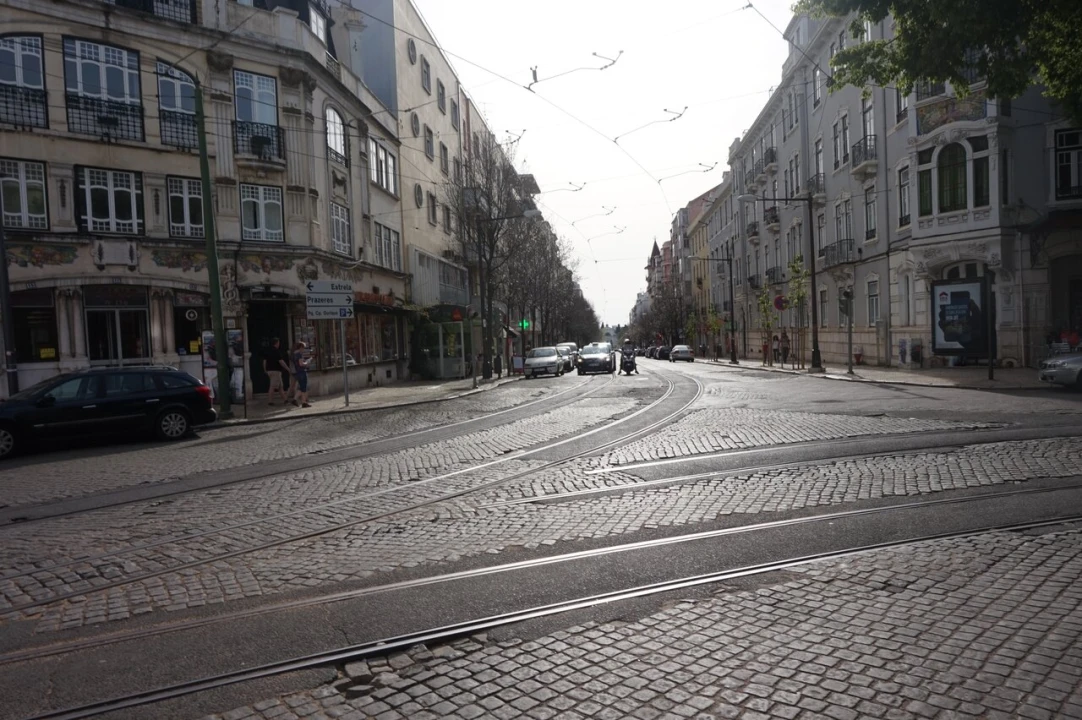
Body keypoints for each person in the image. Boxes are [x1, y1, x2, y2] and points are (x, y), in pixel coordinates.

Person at [262, 338, 290, 406]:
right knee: (273, 386)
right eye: (278, 343)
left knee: (280, 386)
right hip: (275, 371)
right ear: (276, 343)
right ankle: (270, 401)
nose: (279, 344)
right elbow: (281, 361)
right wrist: (288, 369)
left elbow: (264, 361)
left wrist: (265, 369)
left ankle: (285, 400)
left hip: (270, 371)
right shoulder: (276, 351)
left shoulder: (267, 351)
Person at [291, 341, 315, 408]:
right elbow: (301, 364)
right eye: (303, 348)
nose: (304, 349)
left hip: (298, 372)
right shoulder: (299, 354)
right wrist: (307, 363)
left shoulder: (294, 354)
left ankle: (295, 400)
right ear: (301, 347)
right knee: (303, 387)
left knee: (301, 387)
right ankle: (303, 402)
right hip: (302, 372)